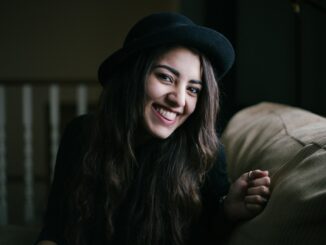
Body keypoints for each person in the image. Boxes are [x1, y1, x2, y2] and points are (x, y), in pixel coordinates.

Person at [35, 12, 270, 245]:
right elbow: (56, 228)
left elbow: (206, 235)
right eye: (166, 78)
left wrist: (227, 211)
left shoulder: (205, 154)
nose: (179, 100)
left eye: (193, 89)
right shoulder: (81, 135)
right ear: (132, 75)